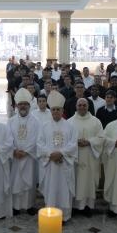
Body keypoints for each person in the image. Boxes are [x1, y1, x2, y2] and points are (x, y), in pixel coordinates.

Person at [37, 91, 78, 222]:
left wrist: (61, 153)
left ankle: (64, 216)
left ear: (62, 110)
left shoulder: (70, 126)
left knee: (64, 190)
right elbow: (40, 143)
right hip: (50, 165)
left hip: (64, 164)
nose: (55, 112)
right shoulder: (44, 126)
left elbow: (73, 144)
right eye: (53, 109)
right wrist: (50, 154)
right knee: (51, 189)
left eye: (58, 109)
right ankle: (50, 213)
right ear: (51, 110)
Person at [68, 98, 104, 216]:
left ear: (88, 106)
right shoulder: (69, 122)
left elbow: (101, 138)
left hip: (90, 157)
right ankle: (74, 206)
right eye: (80, 105)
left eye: (84, 105)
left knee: (88, 181)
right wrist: (75, 143)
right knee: (75, 181)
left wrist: (89, 142)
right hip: (75, 158)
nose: (82, 107)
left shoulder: (96, 121)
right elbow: (65, 140)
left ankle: (88, 206)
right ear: (76, 106)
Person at [8, 88, 40, 216]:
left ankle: (29, 205)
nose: (22, 106)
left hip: (29, 158)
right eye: (20, 104)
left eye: (25, 104)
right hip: (15, 157)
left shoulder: (36, 122)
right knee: (15, 180)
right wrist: (14, 150)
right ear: (16, 105)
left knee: (29, 181)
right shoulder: (11, 121)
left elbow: (37, 139)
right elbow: (8, 138)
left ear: (29, 105)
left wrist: (26, 152)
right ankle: (15, 206)